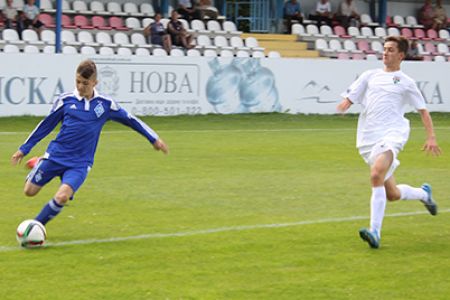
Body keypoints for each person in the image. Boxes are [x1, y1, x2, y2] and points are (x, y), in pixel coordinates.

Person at [11, 60, 169, 226]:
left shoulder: (105, 104)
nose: (80, 86)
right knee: (29, 191)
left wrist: (153, 138)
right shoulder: (65, 101)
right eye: (77, 81)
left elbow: (131, 120)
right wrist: (23, 149)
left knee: (62, 197)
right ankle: (39, 162)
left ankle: (35, 227)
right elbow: (45, 125)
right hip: (56, 156)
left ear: (95, 83)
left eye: (85, 83)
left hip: (80, 163)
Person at [336, 36, 441, 249]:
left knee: (376, 174)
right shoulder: (369, 75)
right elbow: (352, 95)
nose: (385, 53)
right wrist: (345, 103)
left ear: (401, 55)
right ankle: (423, 193)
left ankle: (375, 232)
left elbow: (423, 111)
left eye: (391, 50)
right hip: (368, 139)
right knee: (392, 194)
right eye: (384, 49)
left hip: (392, 135)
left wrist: (431, 137)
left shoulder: (406, 82)